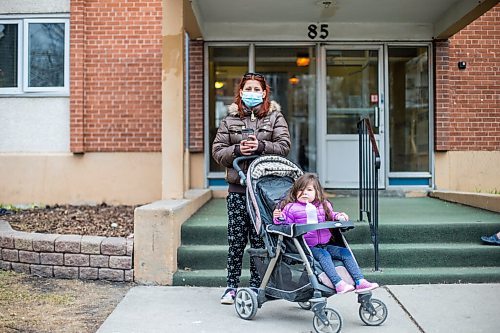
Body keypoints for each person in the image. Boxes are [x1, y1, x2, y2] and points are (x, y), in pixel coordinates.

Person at [212, 72, 291, 304]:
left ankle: (257, 286)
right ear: (241, 92)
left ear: (265, 93)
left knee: (259, 240)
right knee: (236, 239)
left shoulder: (275, 118)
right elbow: (218, 152)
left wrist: (261, 145)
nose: (253, 93)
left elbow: (284, 146)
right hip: (238, 190)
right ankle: (231, 286)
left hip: (263, 191)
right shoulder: (229, 120)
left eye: (258, 89)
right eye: (249, 89)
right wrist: (237, 150)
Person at [273, 173, 379, 294]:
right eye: (300, 190)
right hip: (306, 246)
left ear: (317, 192)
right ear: (296, 192)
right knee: (324, 255)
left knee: (344, 252)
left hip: (325, 243)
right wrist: (279, 218)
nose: (304, 193)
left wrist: (339, 216)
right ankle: (338, 283)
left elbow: (331, 215)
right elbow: (286, 224)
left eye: (309, 190)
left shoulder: (323, 205)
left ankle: (360, 281)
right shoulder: (291, 208)